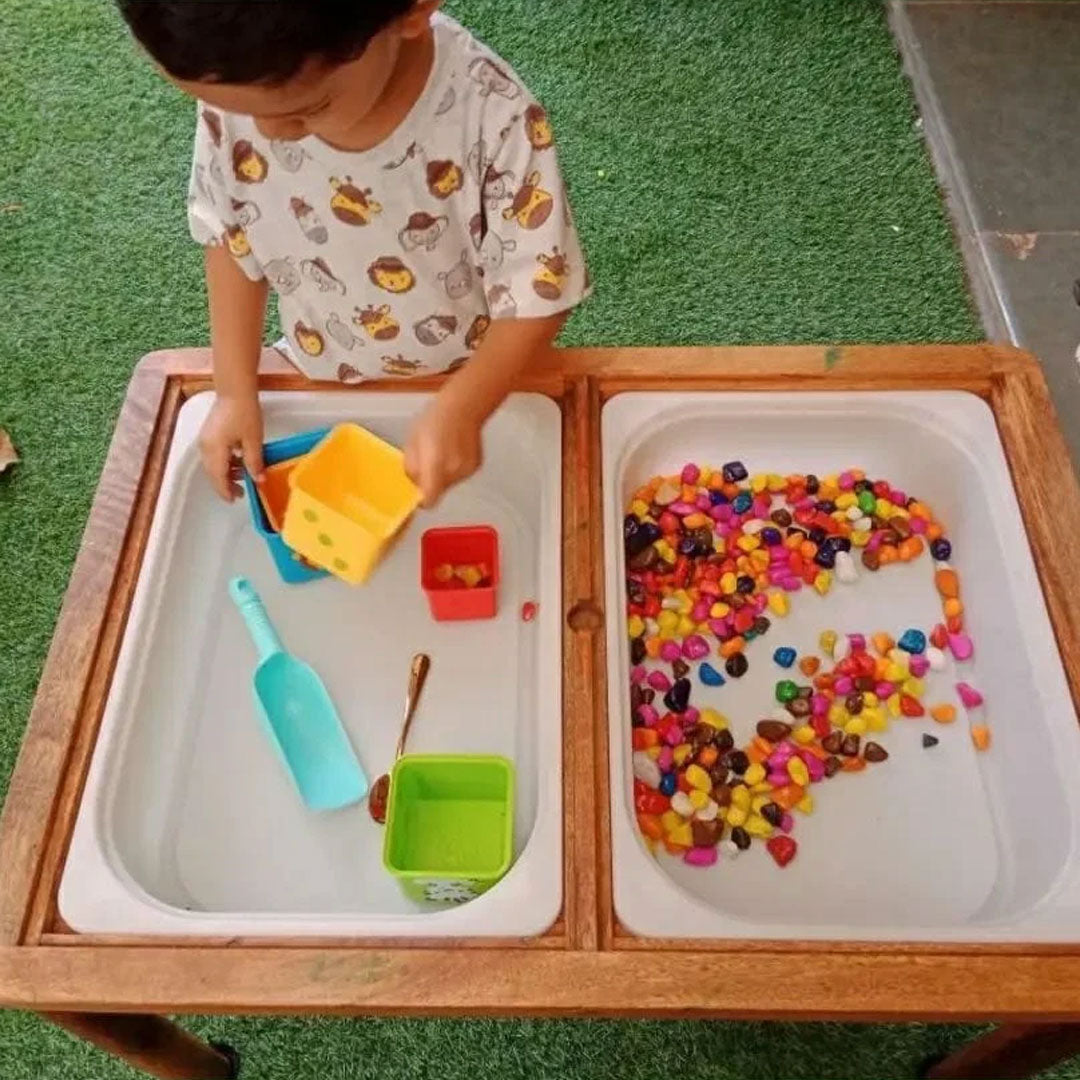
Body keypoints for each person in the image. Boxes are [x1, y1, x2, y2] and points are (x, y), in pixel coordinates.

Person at [117, 1, 589, 505]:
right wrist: (234, 390)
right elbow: (231, 235)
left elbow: (539, 292)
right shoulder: (246, 73)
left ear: (412, 10)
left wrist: (465, 407)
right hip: (318, 373)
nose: (269, 133)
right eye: (241, 112)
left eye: (306, 110)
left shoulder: (492, 115)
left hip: (477, 379)